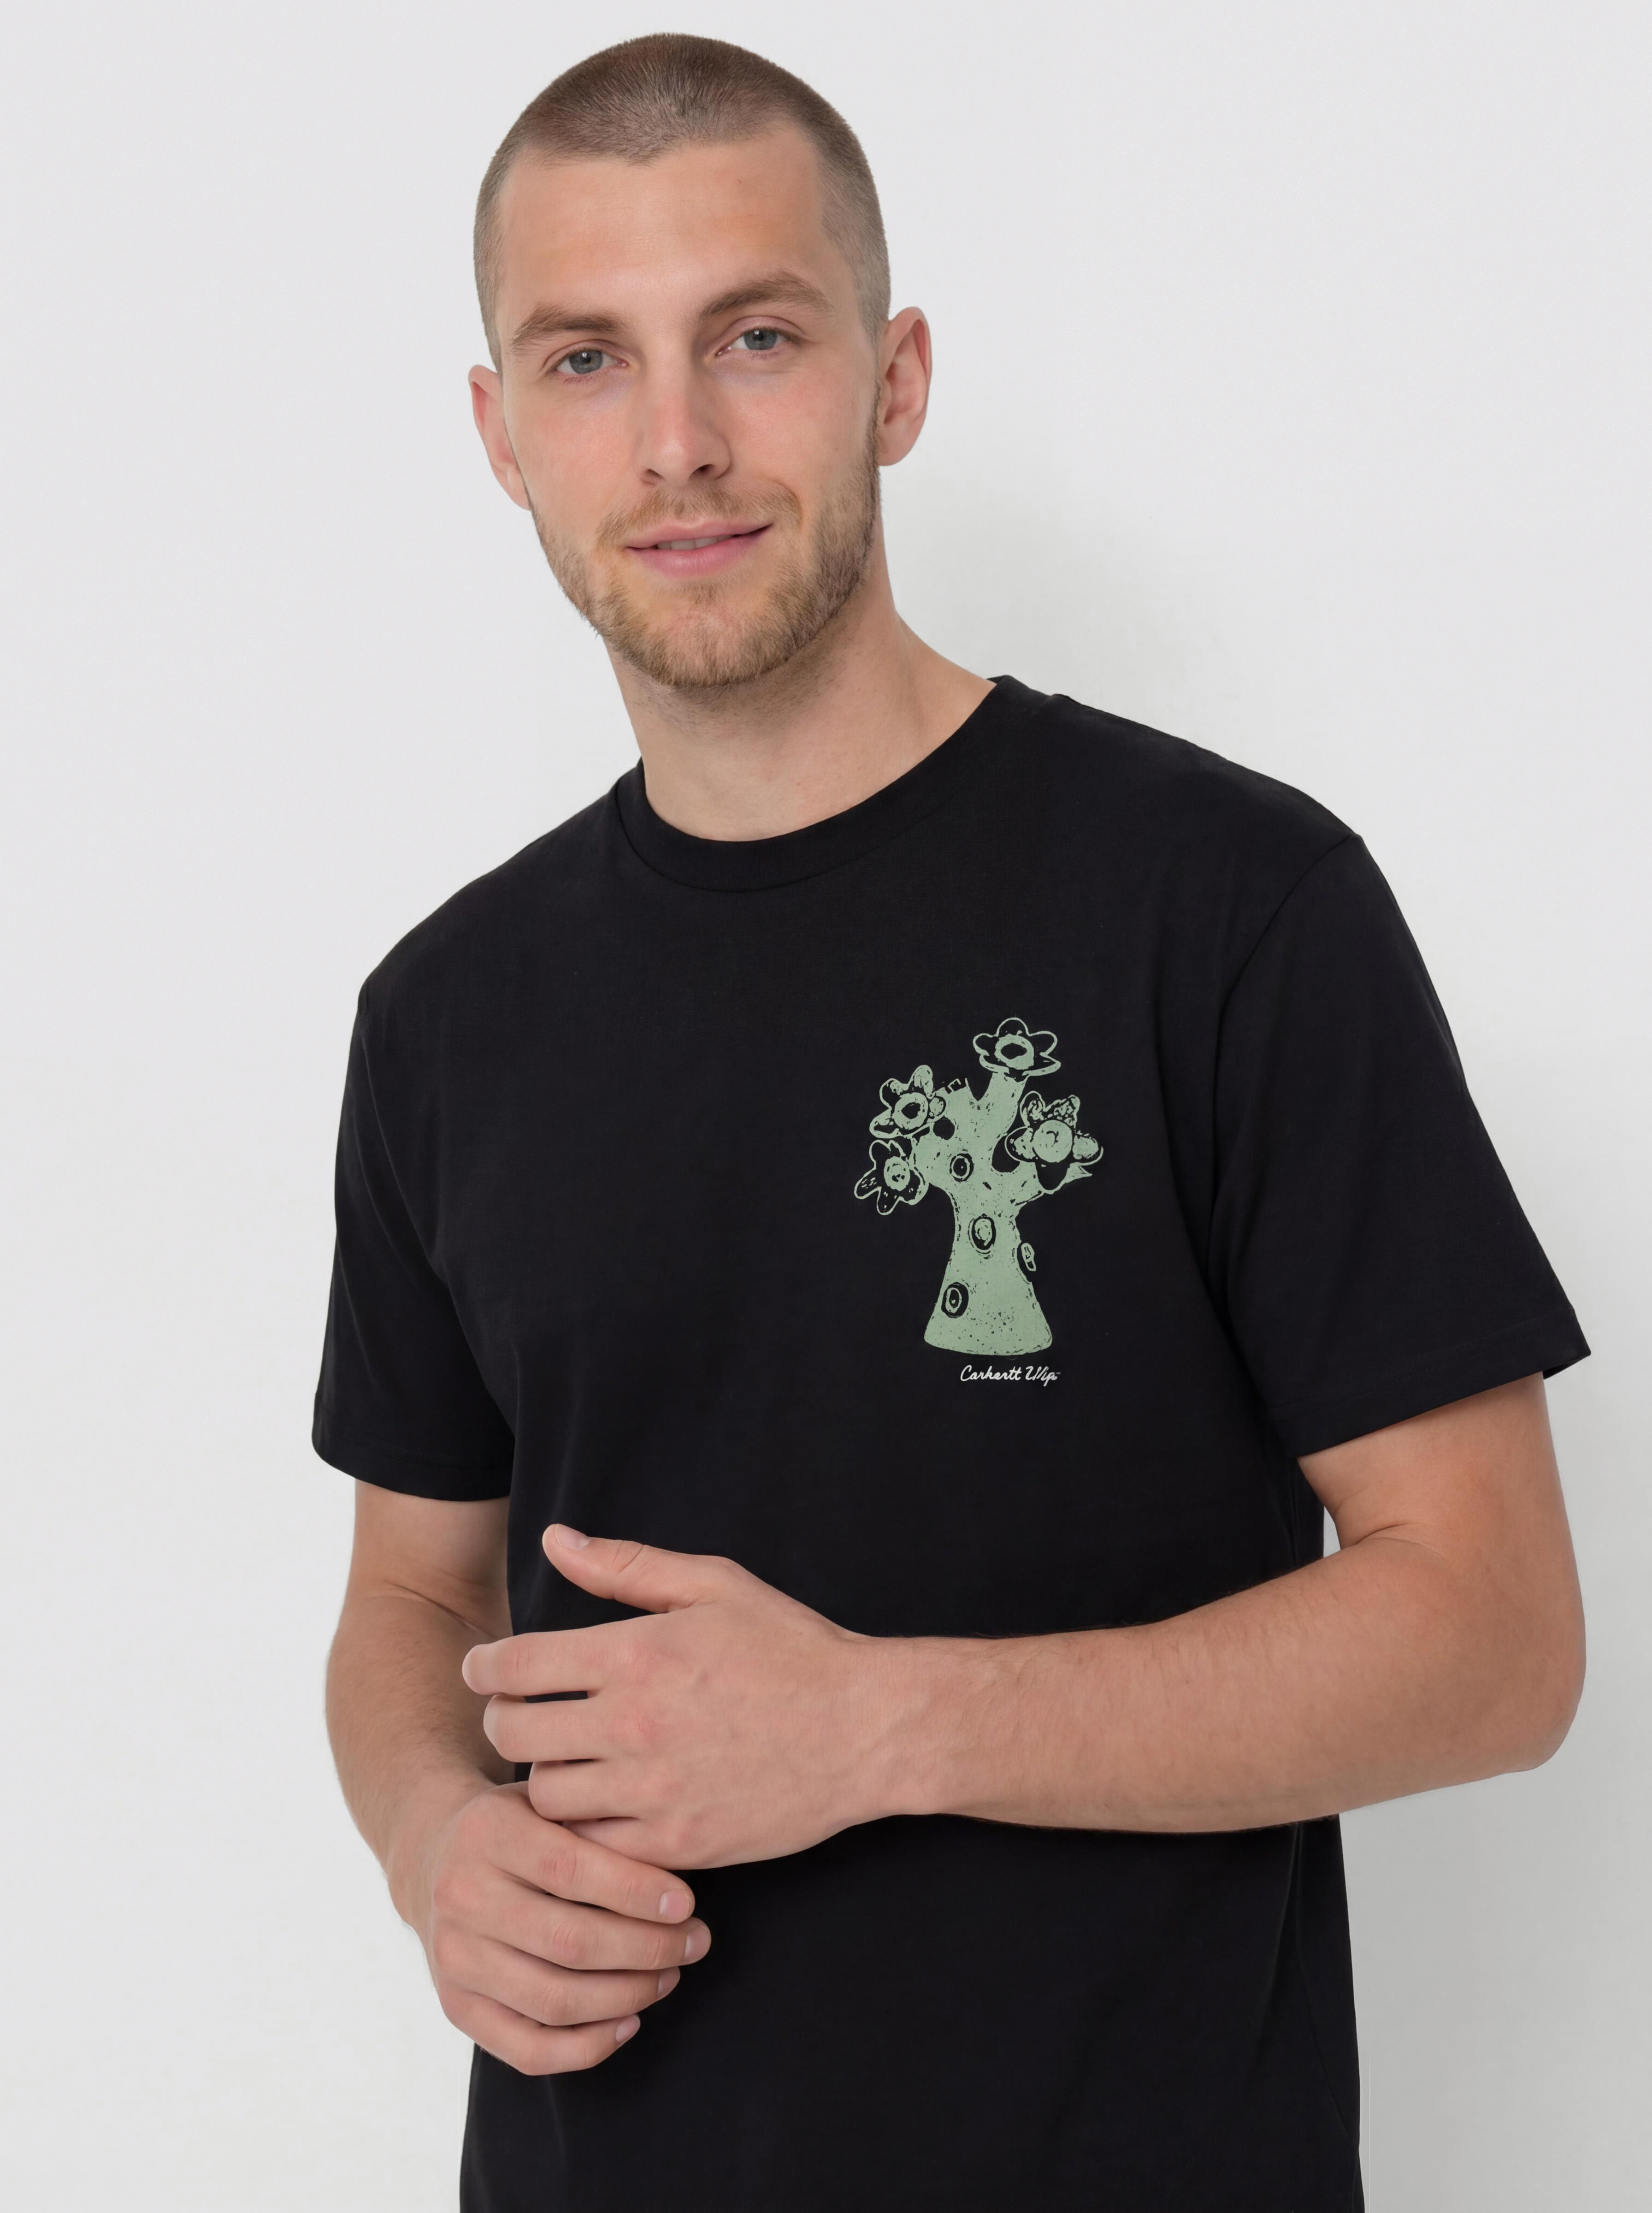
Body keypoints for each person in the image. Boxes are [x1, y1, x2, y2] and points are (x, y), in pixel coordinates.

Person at [313, 32, 1589, 2213]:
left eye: (756, 336)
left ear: (892, 381)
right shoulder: (445, 1013)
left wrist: (880, 1728)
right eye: (587, 360)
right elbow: (409, 1596)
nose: (678, 439)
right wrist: (439, 1840)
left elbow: (1493, 1636)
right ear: (501, 434)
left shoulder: (1228, 908)